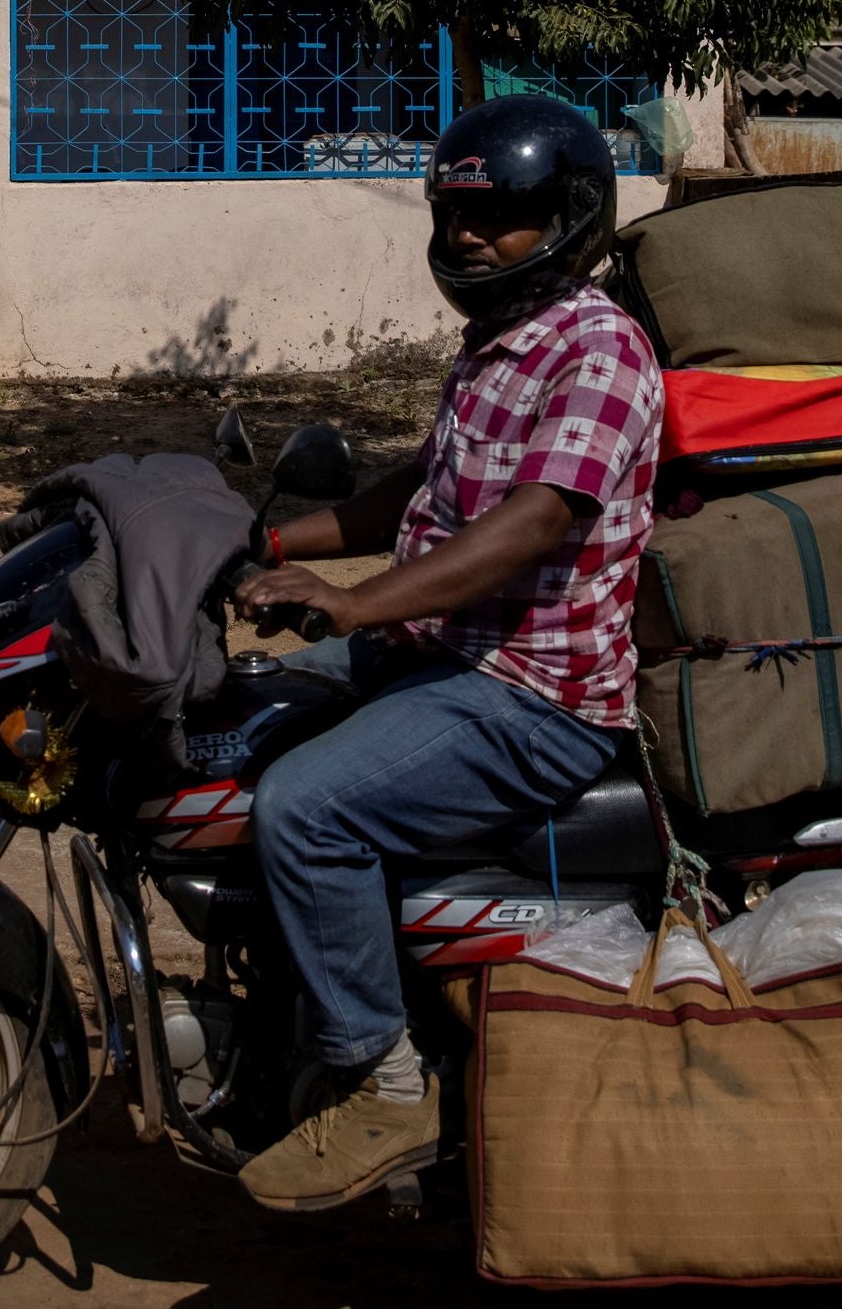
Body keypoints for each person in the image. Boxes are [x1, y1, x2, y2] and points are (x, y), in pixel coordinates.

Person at [224, 95, 658, 1213]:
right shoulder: (495, 345)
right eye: (455, 209)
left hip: (528, 697)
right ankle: (278, 1019)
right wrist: (263, 543)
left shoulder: (596, 348)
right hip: (441, 660)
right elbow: (417, 494)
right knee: (226, 721)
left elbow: (529, 524)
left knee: (304, 808)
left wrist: (356, 606)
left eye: (500, 213)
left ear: (564, 215)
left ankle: (379, 1078)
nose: (468, 234)